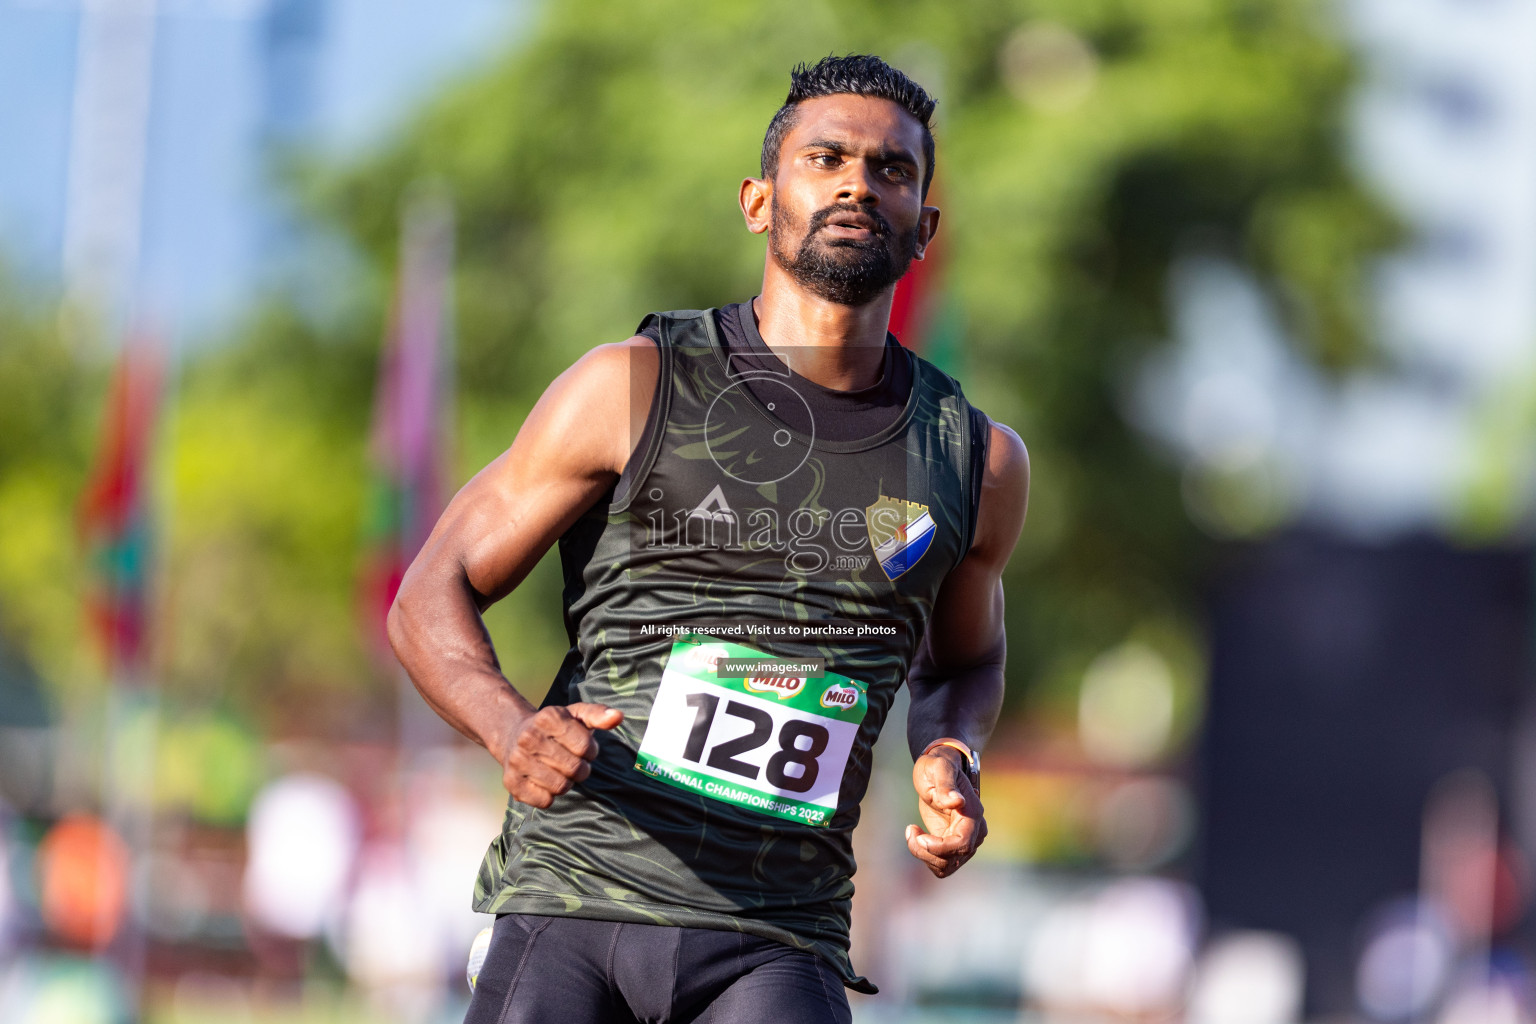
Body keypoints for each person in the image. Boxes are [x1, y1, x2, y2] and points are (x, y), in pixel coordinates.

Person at [389, 53, 1030, 1024]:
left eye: (892, 170)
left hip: (779, 934)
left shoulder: (974, 461)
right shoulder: (631, 386)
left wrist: (952, 752)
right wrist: (511, 727)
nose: (859, 182)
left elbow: (966, 660)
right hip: (580, 895)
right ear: (758, 201)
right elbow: (427, 593)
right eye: (826, 158)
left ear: (924, 229)